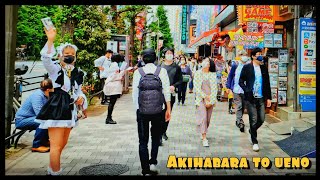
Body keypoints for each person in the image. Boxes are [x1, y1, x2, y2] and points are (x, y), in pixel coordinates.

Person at [35, 27, 86, 175]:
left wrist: (82, 102)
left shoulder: (77, 72)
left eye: (72, 54)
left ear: (75, 57)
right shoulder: (55, 69)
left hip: (70, 110)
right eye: (66, 54)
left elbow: (78, 91)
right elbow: (45, 58)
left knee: (62, 144)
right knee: (56, 146)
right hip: (57, 108)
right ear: (60, 56)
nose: (69, 56)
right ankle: (56, 172)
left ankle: (51, 169)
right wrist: (50, 40)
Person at [132, 48, 171, 176]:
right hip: (158, 111)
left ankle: (145, 169)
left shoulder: (138, 72)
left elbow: (135, 94)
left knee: (142, 141)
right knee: (155, 137)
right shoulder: (162, 71)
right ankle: (153, 162)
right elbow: (166, 91)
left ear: (143, 59)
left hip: (142, 111)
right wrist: (168, 109)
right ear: (155, 59)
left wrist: (138, 110)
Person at [239, 47, 272, 152]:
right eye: (258, 54)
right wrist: (246, 90)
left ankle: (251, 131)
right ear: (253, 56)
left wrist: (269, 98)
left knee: (261, 119)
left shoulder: (263, 68)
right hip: (250, 98)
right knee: (253, 120)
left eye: (261, 54)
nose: (260, 56)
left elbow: (267, 84)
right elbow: (241, 81)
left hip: (261, 97)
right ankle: (255, 142)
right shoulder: (247, 67)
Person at [15, 79, 54, 153]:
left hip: (30, 118)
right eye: (52, 91)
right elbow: (39, 114)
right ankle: (37, 145)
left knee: (49, 120)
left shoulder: (45, 95)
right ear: (48, 90)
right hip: (22, 120)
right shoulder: (38, 96)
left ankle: (44, 141)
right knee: (42, 122)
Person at [159, 47, 183, 144]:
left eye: (171, 53)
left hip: (171, 93)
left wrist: (174, 86)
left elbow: (180, 80)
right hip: (160, 94)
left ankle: (164, 131)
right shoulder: (159, 66)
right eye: (167, 53)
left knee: (167, 113)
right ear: (164, 54)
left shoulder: (176, 67)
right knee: (160, 114)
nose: (169, 54)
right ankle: (159, 134)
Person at [194, 58, 217, 147]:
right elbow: (197, 88)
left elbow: (214, 88)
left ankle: (203, 130)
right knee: (203, 117)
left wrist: (211, 100)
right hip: (200, 99)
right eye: (205, 61)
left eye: (208, 61)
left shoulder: (212, 75)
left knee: (207, 119)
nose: (206, 62)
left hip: (210, 99)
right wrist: (205, 97)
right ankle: (204, 137)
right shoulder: (198, 73)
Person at [226, 49, 251, 132]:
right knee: (239, 105)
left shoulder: (249, 65)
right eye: (241, 55)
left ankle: (239, 119)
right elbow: (230, 76)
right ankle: (240, 122)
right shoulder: (235, 65)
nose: (243, 56)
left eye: (244, 55)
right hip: (236, 89)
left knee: (243, 106)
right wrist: (229, 87)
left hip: (245, 89)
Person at [103, 54, 128, 124]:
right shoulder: (115, 66)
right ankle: (108, 118)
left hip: (112, 86)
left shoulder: (113, 64)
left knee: (112, 102)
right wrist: (122, 74)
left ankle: (109, 117)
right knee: (112, 102)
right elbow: (114, 76)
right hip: (113, 87)